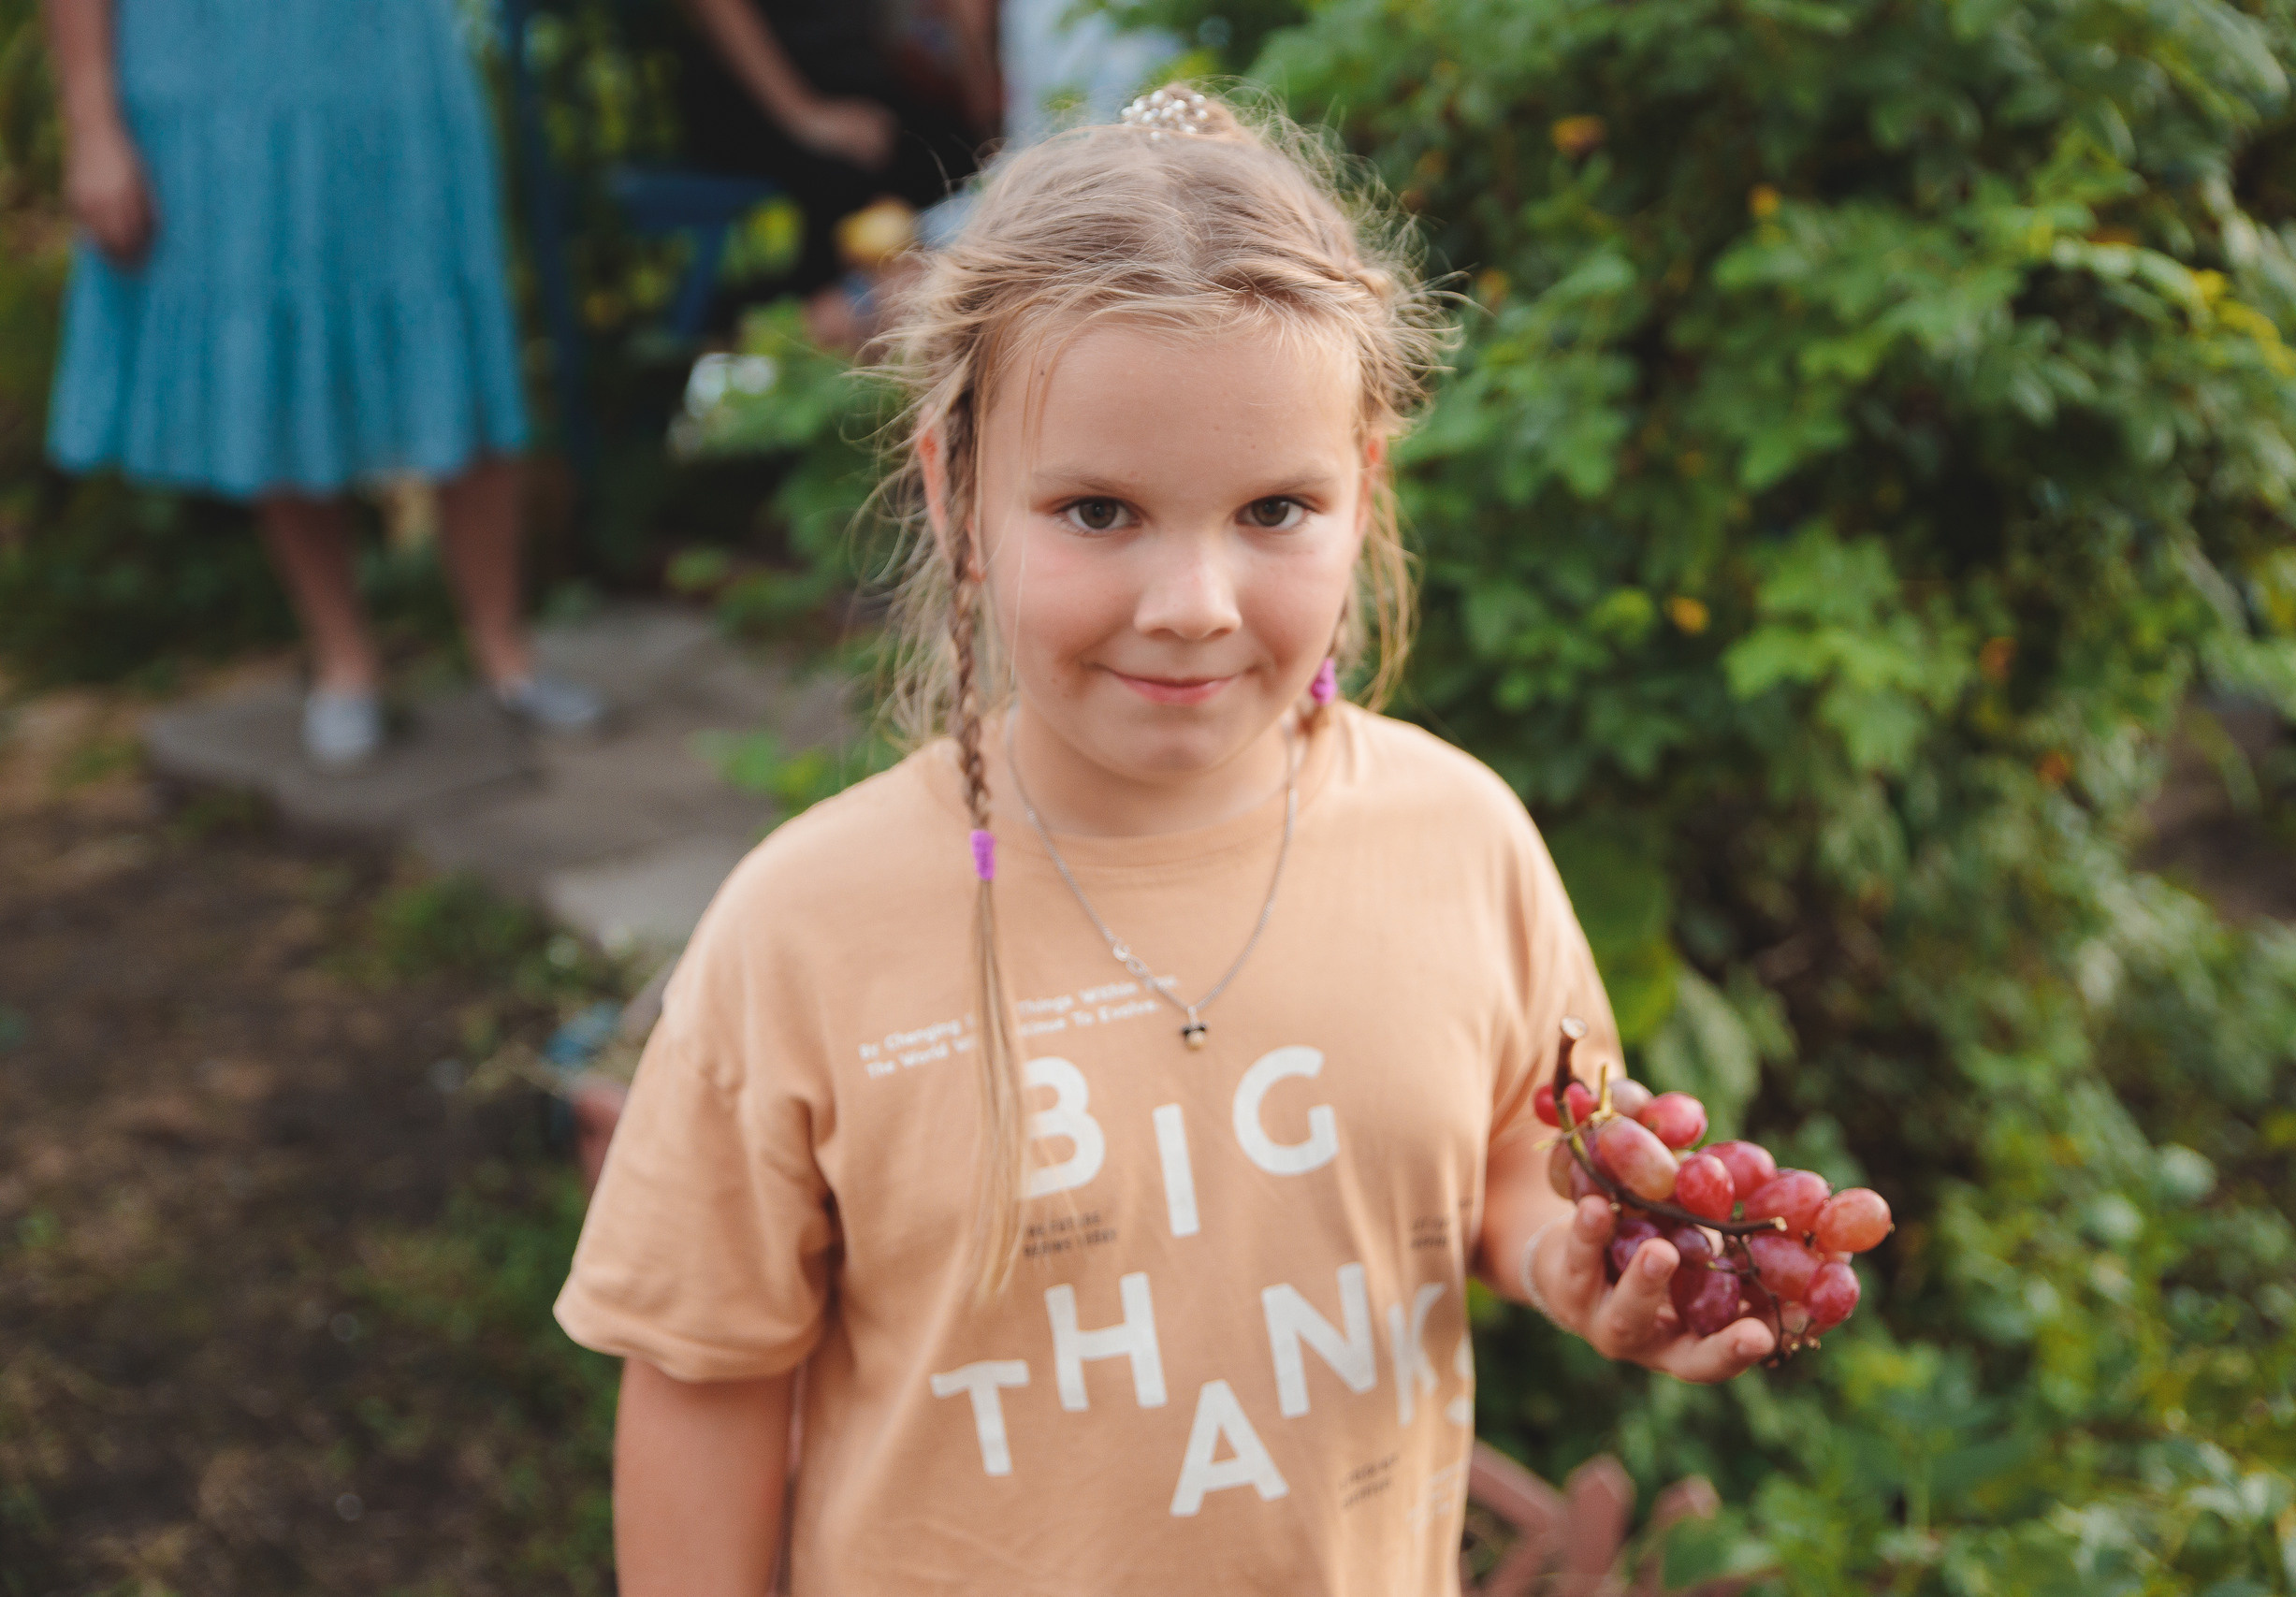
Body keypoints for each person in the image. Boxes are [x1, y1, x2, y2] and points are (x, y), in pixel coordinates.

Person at [555, 86, 1775, 1595]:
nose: (1194, 599)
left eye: (1274, 507)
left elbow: (1521, 1161)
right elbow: (703, 1374)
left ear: (1363, 493)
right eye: (1099, 511)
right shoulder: (805, 927)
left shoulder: (1461, 842)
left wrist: (1572, 1264)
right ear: (957, 494)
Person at [43, 0, 601, 765]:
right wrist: (93, 124)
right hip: (212, 84)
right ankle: (344, 659)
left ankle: (506, 651)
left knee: (450, 329)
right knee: (273, 358)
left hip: (393, 68)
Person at [669, 0, 994, 340]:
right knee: (851, 177)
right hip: (755, 99)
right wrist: (806, 117)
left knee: (956, 157)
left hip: (854, 87)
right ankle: (788, 341)